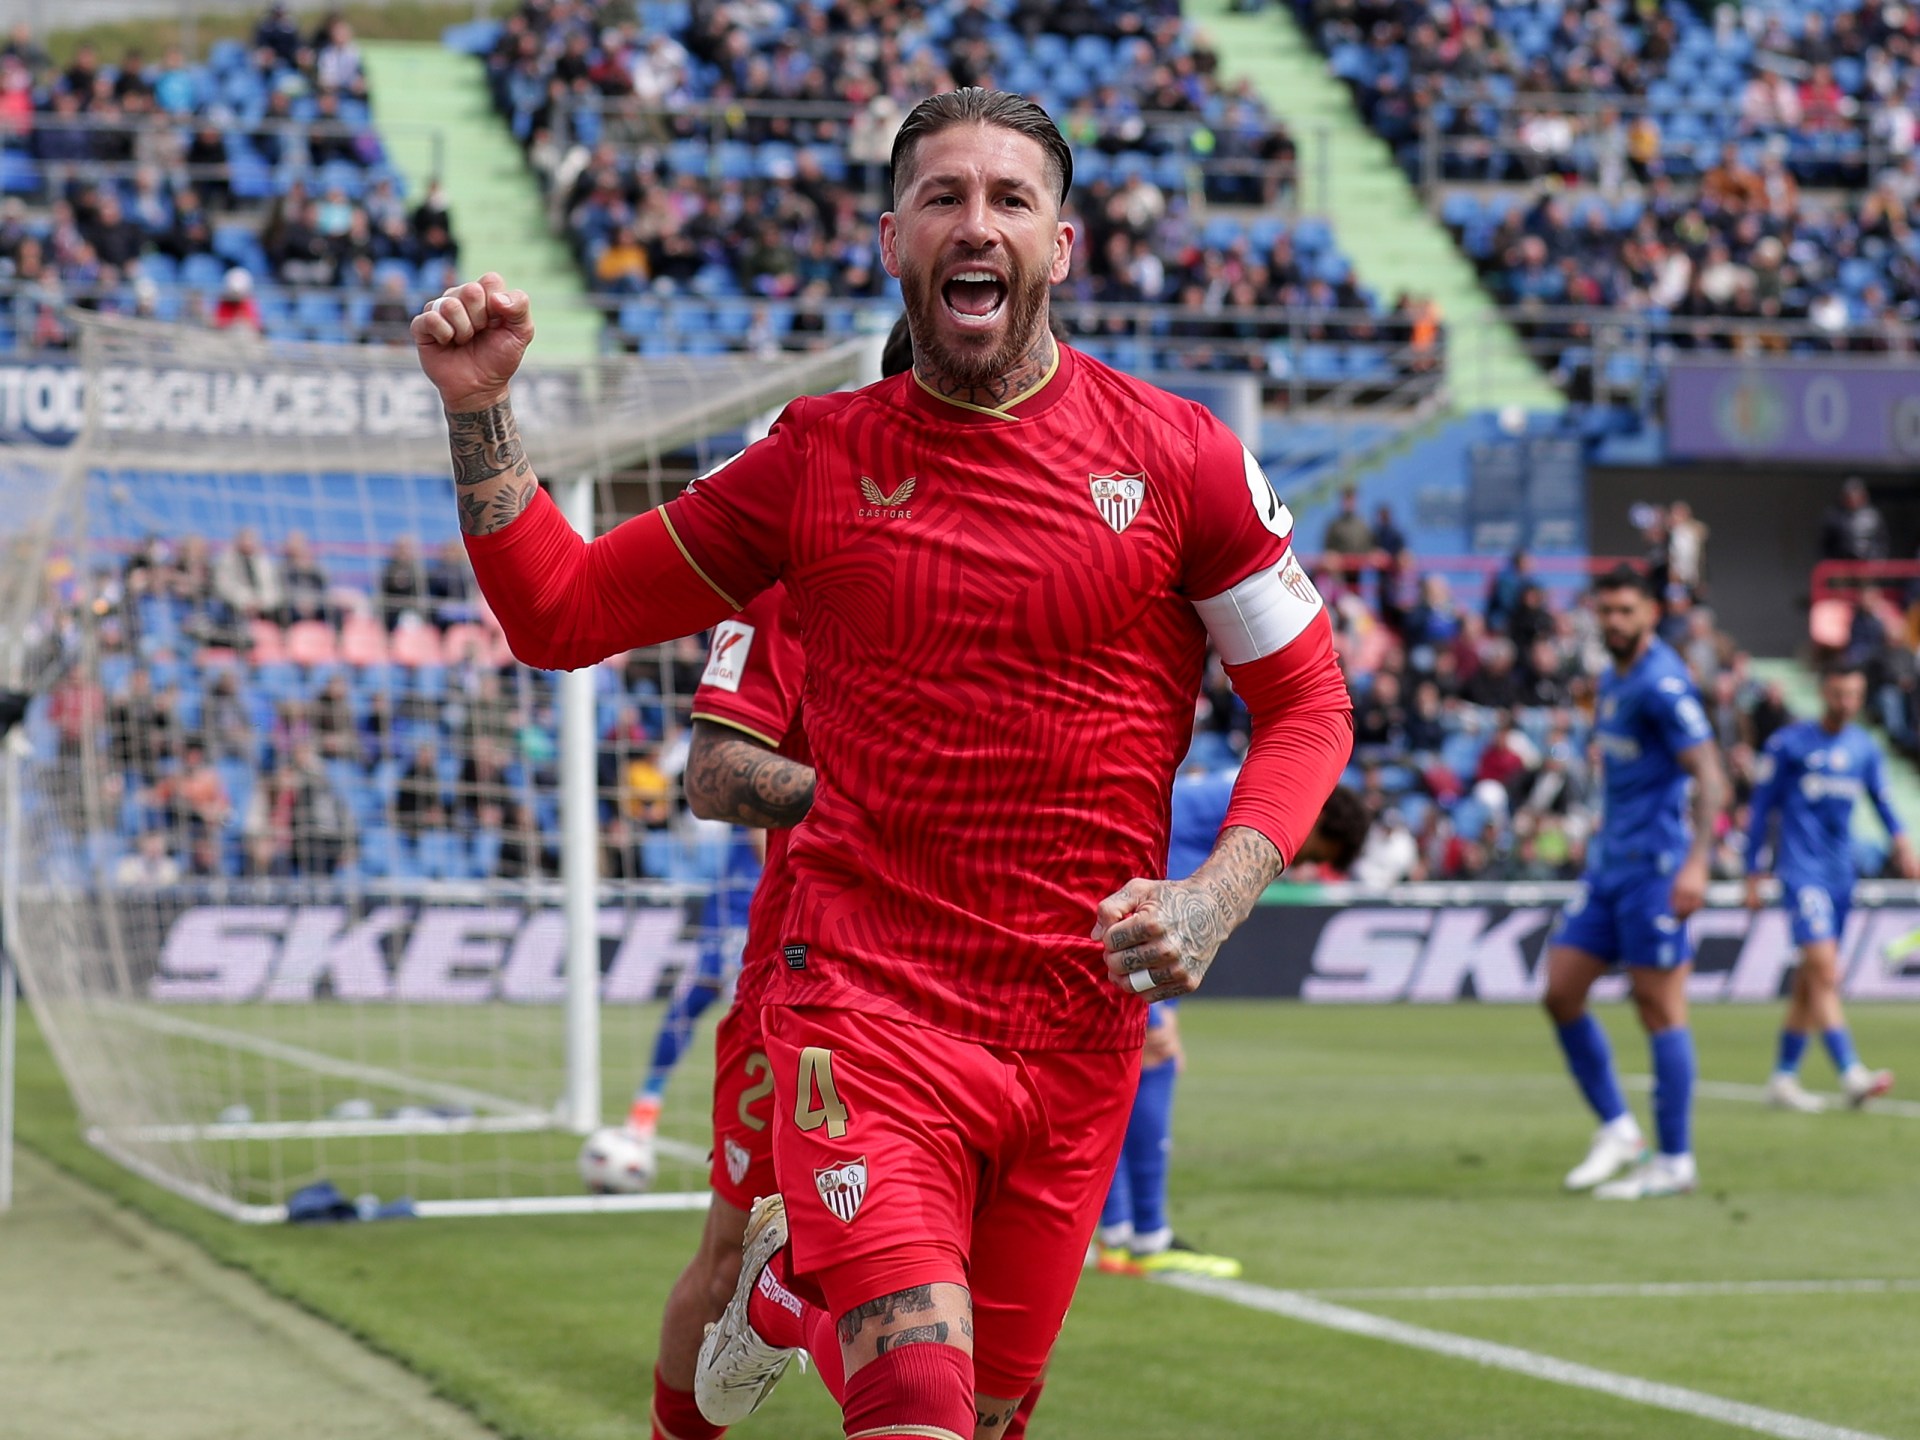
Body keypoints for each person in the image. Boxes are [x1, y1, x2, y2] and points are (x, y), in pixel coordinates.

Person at [414, 88, 1352, 1440]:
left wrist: (1216, 895)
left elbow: (1309, 704)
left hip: (1076, 1026)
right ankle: (784, 1301)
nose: (977, 224)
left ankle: (786, 1296)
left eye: (1011, 199)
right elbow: (560, 614)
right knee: (915, 1396)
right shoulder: (814, 459)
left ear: (1062, 245)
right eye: (941, 197)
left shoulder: (1182, 458)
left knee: (992, 1409)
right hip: (865, 1008)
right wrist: (480, 412)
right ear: (890, 240)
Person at [1095, 783, 1369, 1280]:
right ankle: (1147, 1235)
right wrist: (1159, 1012)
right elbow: (1164, 889)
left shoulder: (1225, 798)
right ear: (1319, 822)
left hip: (1101, 901)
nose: (1301, 863)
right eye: (1314, 853)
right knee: (1155, 1056)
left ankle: (1115, 1233)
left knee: (1119, 1067)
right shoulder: (1250, 818)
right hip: (1116, 913)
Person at [1542, 565, 1725, 1201]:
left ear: (1650, 612)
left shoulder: (1663, 684)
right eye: (1607, 611)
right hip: (1609, 866)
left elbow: (1711, 774)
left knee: (1658, 1006)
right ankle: (1620, 1131)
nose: (1615, 622)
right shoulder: (1612, 679)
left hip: (1656, 868)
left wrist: (1698, 863)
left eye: (1626, 611)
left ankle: (1675, 1161)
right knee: (1561, 991)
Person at [1744, 661, 1917, 1112]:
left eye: (1854, 695)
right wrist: (1752, 870)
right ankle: (1851, 1073)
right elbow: (1761, 810)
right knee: (1824, 971)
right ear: (1824, 692)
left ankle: (1784, 1077)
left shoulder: (1864, 747)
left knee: (1810, 981)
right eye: (1839, 694)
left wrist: (1903, 846)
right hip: (1801, 872)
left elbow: (1883, 802)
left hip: (1842, 874)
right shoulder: (1789, 744)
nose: (1846, 703)